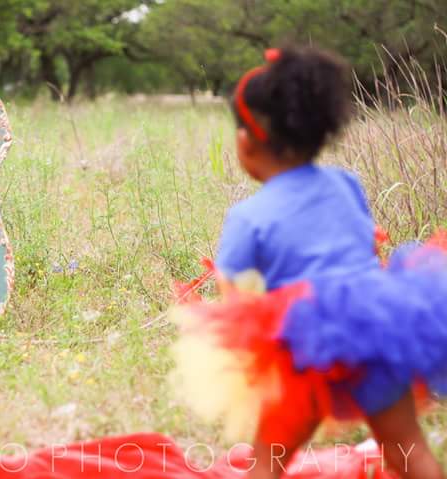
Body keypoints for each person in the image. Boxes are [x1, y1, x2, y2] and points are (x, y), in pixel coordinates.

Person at [170, 46, 447, 479]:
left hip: (303, 352)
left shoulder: (248, 217)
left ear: (246, 141)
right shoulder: (345, 183)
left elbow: (236, 298)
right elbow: (364, 248)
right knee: (407, 449)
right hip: (376, 333)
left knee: (268, 460)